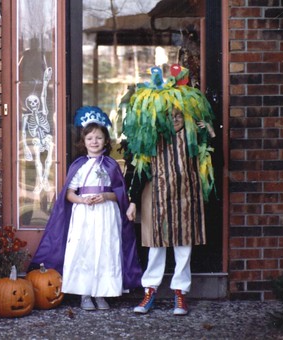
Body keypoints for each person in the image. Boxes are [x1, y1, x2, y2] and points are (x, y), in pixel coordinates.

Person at [123, 64, 216, 316]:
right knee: (155, 244)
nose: (174, 119)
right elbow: (138, 170)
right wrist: (132, 201)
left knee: (184, 244)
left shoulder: (193, 136)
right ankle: (149, 290)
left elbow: (210, 154)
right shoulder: (150, 137)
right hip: (157, 197)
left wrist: (206, 131)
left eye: (178, 115)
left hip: (186, 195)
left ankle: (180, 293)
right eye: (169, 115)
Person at [29, 106, 142, 310]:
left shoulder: (111, 165)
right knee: (85, 250)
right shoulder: (79, 165)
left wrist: (105, 196)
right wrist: (82, 201)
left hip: (106, 212)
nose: (94, 142)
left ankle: (102, 293)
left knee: (105, 250)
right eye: (90, 138)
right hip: (84, 215)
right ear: (84, 142)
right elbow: (70, 193)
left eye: (98, 138)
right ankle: (85, 294)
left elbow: (119, 193)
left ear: (106, 141)